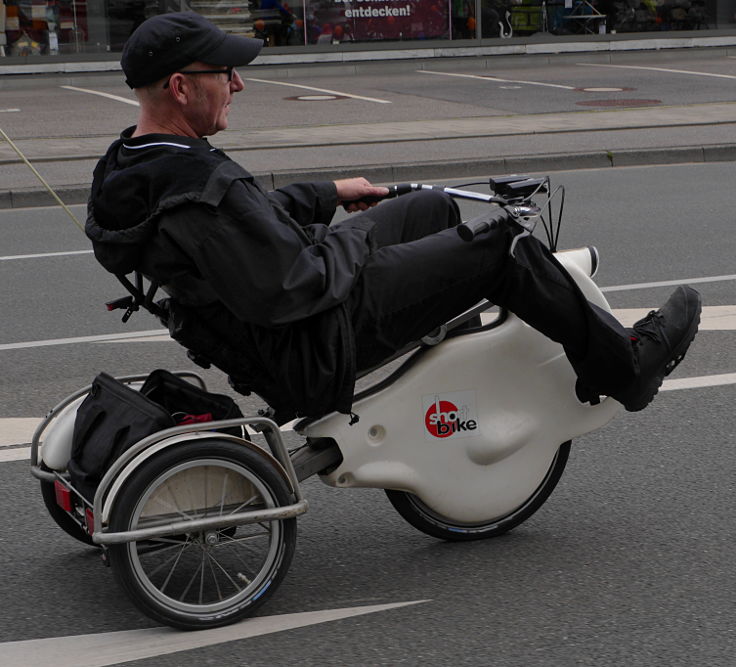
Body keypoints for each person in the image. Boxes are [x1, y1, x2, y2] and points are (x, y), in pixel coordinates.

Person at [86, 11, 702, 424]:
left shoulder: (134, 163)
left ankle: (435, 351)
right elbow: (296, 282)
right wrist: (359, 248)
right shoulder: (198, 185)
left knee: (428, 207)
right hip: (314, 343)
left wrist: (331, 194)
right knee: (502, 247)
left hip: (278, 322)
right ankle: (626, 366)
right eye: (224, 73)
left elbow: (248, 225)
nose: (238, 85)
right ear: (180, 87)